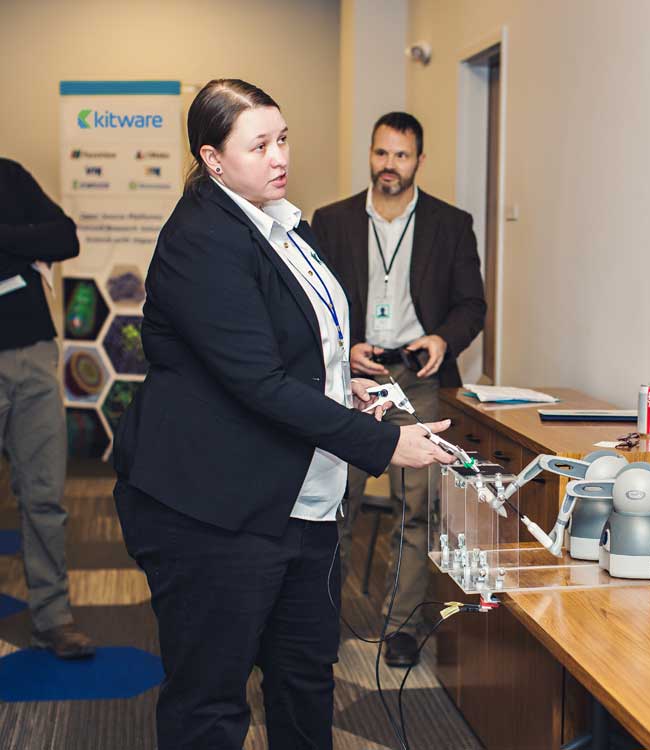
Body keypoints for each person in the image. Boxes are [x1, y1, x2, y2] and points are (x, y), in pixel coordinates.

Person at [111, 79, 454, 750]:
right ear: (213, 159)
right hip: (214, 509)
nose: (279, 157)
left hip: (300, 504)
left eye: (284, 138)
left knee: (304, 681)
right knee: (210, 700)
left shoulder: (282, 222)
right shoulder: (202, 237)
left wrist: (339, 380)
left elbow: (294, 343)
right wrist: (383, 444)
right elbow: (255, 381)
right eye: (259, 144)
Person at [312, 112, 485, 667]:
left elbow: (471, 305)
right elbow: (314, 303)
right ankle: (316, 622)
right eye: (381, 153)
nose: (390, 165)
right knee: (339, 501)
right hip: (355, 375)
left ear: (419, 161)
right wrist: (346, 348)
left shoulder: (450, 224)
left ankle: (402, 625)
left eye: (402, 156)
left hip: (419, 375)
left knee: (419, 508)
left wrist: (442, 338)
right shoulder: (331, 220)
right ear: (371, 153)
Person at [0, 158, 95, 659]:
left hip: (32, 353)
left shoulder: (9, 175)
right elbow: (40, 242)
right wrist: (21, 244)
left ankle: (52, 618)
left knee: (44, 494)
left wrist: (7, 237)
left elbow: (64, 238)